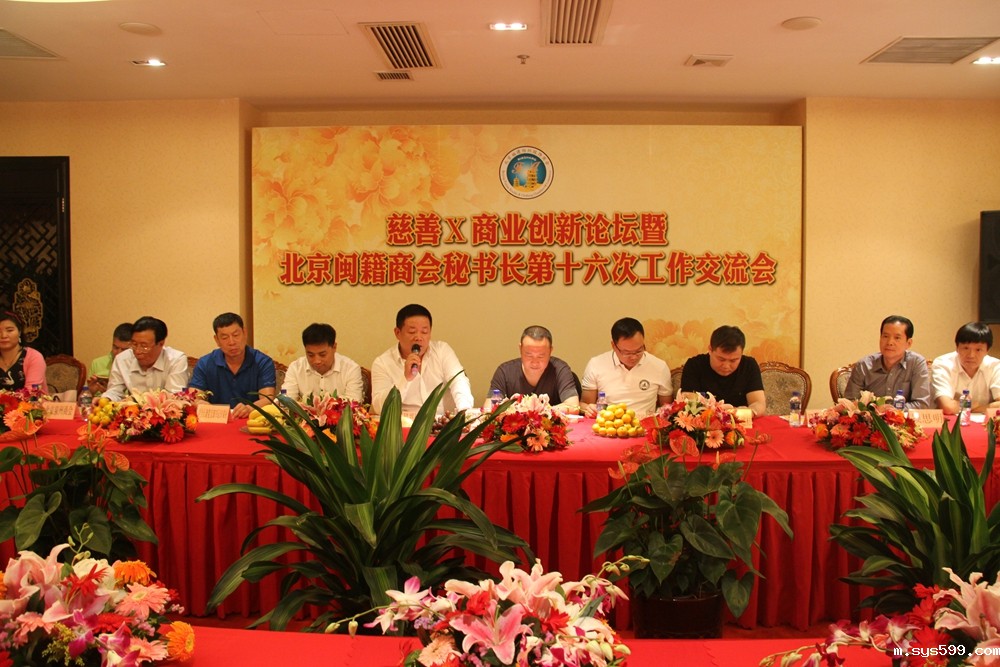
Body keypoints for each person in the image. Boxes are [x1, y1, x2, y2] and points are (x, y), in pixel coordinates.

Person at [371, 304, 474, 416]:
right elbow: (379, 408)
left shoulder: (442, 351)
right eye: (412, 332)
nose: (418, 338)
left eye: (424, 332)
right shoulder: (382, 363)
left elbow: (458, 381)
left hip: (442, 422)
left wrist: (464, 411)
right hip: (404, 423)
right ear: (397, 333)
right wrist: (405, 379)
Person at [580, 317, 672, 418]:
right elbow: (584, 404)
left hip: (645, 424)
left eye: (639, 350)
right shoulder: (596, 364)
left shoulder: (659, 367)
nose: (634, 357)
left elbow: (666, 408)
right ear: (613, 346)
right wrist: (589, 409)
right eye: (627, 353)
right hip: (609, 423)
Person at [189, 312, 276, 418]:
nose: (231, 342)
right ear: (217, 340)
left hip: (251, 420)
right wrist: (200, 403)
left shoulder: (262, 362)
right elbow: (193, 397)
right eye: (225, 337)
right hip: (216, 421)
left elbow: (268, 399)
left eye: (236, 335)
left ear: (245, 333)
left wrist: (250, 408)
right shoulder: (205, 363)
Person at [845, 315, 931, 409]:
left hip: (903, 418)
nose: (890, 342)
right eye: (885, 336)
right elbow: (849, 403)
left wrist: (889, 411)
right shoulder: (864, 365)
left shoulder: (916, 363)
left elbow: (921, 404)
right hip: (871, 417)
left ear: (908, 343)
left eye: (897, 338)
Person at [486, 325, 579, 412]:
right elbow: (489, 408)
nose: (535, 362)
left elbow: (573, 407)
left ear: (550, 351)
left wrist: (541, 411)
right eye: (529, 355)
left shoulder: (560, 370)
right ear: (520, 349)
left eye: (541, 356)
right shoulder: (505, 372)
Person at [681, 325, 766, 416]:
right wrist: (718, 412)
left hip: (740, 419)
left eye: (733, 360)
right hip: (705, 420)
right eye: (721, 359)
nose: (726, 366)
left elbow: (758, 403)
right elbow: (689, 403)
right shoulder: (694, 365)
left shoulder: (749, 365)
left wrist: (749, 412)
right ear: (710, 350)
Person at [102, 316, 188, 402]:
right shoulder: (122, 359)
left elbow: (174, 398)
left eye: (144, 346)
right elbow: (115, 391)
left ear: (161, 344)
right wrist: (106, 399)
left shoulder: (176, 360)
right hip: (131, 409)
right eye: (134, 344)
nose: (137, 351)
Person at [282, 323, 364, 402]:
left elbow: (353, 404)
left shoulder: (351, 369)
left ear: (334, 347)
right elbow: (285, 400)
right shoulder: (295, 368)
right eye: (310, 355)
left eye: (322, 354)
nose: (317, 361)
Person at [932, 321, 1000, 414]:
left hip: (984, 421)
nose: (971, 355)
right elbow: (947, 407)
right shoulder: (943, 364)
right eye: (966, 348)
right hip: (952, 421)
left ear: (987, 351)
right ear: (957, 348)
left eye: (978, 350)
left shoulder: (995, 366)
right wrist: (974, 405)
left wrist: (974, 408)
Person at [0, 311, 47, 392]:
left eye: (9, 330)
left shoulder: (34, 357)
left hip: (30, 400)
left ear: (19, 332)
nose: (3, 336)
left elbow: (32, 392)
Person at [87, 322, 133, 393]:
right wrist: (91, 391)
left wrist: (109, 392)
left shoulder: (138, 366)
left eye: (124, 350)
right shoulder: (97, 363)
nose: (118, 353)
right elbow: (86, 395)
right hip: (98, 399)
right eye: (115, 347)